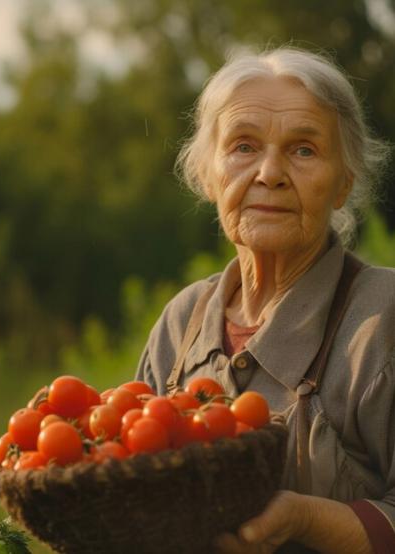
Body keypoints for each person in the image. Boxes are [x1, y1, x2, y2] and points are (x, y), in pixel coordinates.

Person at [135, 47, 394, 554]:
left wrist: (305, 520)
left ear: (344, 183)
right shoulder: (183, 320)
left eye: (303, 150)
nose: (269, 173)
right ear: (209, 176)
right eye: (244, 146)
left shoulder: (384, 318)